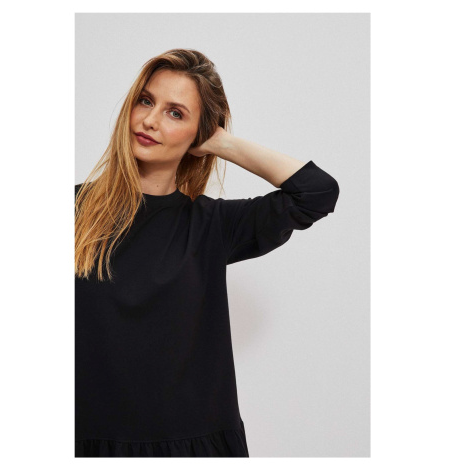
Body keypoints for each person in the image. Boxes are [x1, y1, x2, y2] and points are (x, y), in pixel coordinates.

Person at [75, 48, 340, 457]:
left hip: (195, 447)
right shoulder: (73, 210)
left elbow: (317, 192)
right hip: (87, 442)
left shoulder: (213, 226)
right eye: (145, 101)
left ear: (198, 134)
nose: (150, 120)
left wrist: (220, 142)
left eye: (175, 113)